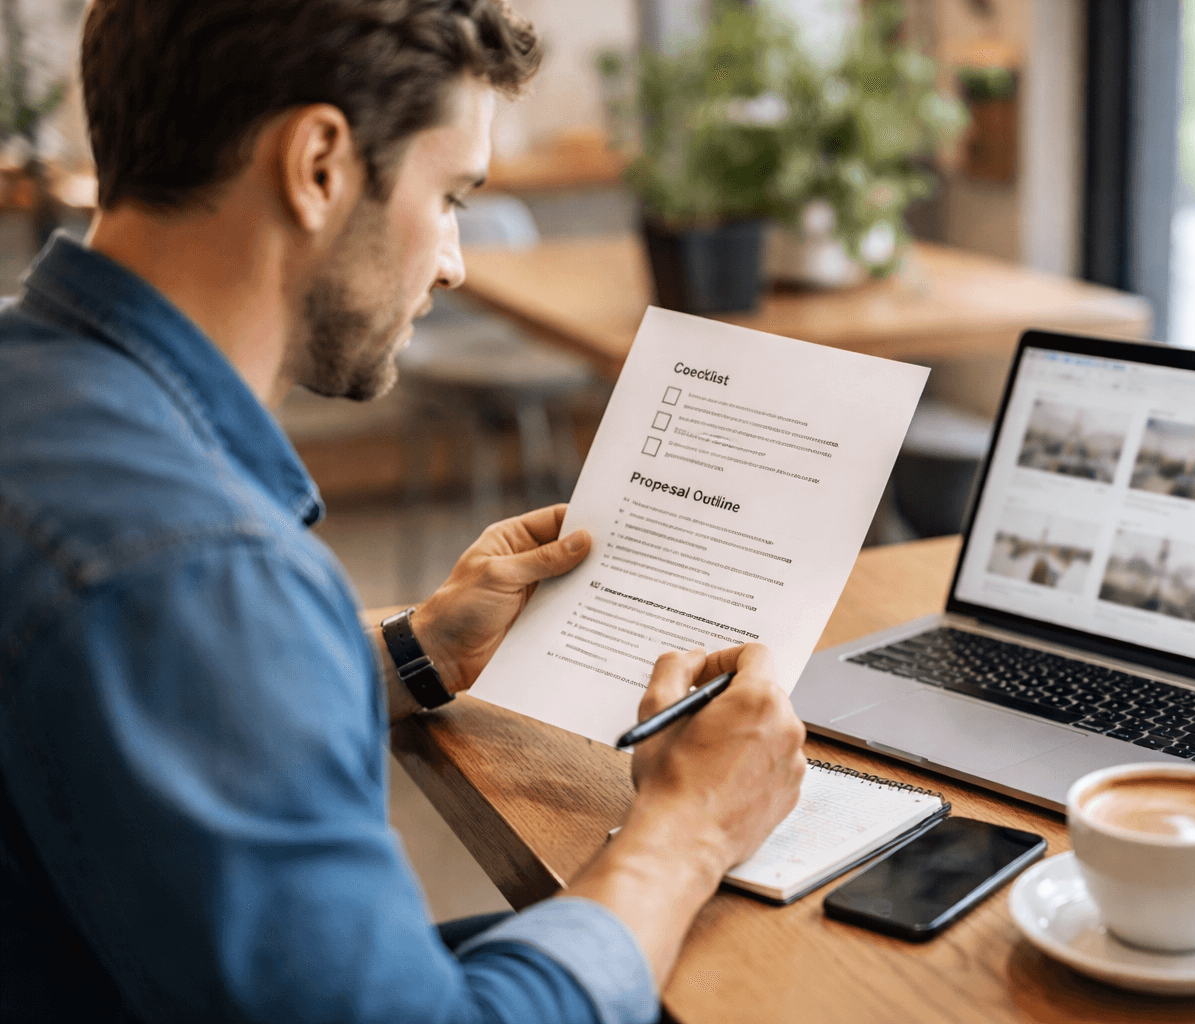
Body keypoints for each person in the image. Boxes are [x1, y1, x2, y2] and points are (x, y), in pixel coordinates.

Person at [0, 2, 806, 1022]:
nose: (455, 260)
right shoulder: (194, 568)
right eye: (451, 194)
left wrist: (413, 648)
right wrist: (690, 826)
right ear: (320, 165)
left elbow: (140, 696)